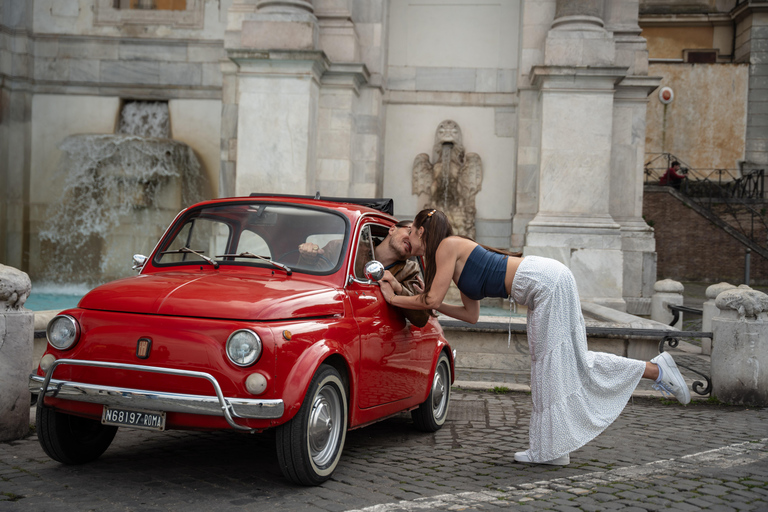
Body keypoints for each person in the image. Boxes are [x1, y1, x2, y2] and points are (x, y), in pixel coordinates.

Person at [379, 208, 691, 466]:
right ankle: (556, 448)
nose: (411, 244)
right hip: (544, 284)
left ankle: (552, 448)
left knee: (552, 364)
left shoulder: (447, 246)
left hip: (545, 283)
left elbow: (429, 301)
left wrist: (395, 298)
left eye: (411, 235)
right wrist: (426, 301)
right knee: (560, 363)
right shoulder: (453, 257)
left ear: (423, 230)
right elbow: (469, 314)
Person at [299, 220, 430, 328]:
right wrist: (306, 258)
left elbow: (421, 318)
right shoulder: (341, 248)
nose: (412, 240)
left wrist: (398, 288)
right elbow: (309, 286)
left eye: (419, 241)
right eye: (410, 232)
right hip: (335, 318)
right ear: (392, 230)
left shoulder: (411, 270)